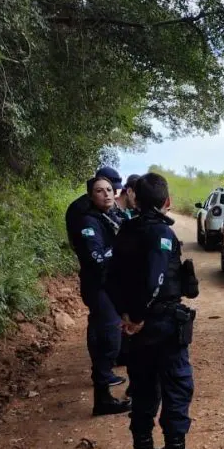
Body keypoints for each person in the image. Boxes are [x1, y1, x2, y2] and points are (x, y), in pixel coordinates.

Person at [107, 172, 214, 449]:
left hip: (135, 324)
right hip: (159, 323)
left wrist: (124, 316)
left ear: (135, 199)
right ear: (167, 202)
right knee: (177, 385)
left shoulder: (125, 229)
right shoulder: (161, 234)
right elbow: (155, 280)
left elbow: (111, 278)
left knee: (142, 388)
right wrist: (138, 317)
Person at [68, 173, 132, 415]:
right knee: (110, 333)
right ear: (90, 195)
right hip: (97, 286)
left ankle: (102, 391)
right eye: (99, 191)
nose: (106, 194)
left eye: (108, 190)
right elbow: (95, 258)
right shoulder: (88, 222)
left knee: (99, 331)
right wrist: (120, 248)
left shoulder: (107, 217)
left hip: (108, 285)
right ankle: (103, 394)